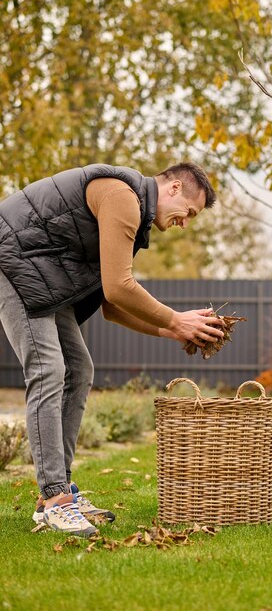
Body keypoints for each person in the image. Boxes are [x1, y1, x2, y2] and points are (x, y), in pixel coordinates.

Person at [0, 162, 224, 537]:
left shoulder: (133, 212)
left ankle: (57, 492)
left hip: (42, 273)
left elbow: (111, 304)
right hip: (12, 258)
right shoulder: (123, 197)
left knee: (79, 370)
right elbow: (120, 287)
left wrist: (173, 331)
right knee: (48, 369)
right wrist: (175, 319)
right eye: (189, 212)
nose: (186, 223)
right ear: (172, 189)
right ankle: (54, 499)